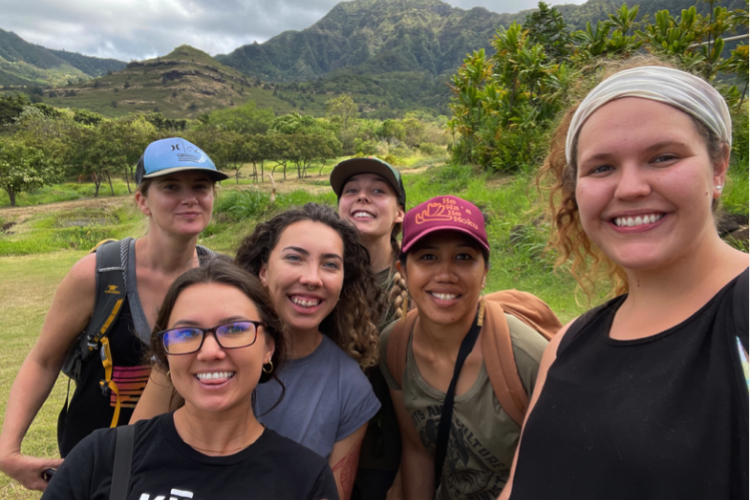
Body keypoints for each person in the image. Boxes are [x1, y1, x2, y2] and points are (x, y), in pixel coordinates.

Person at [500, 63, 750, 499]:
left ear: (718, 167)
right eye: (601, 168)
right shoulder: (571, 341)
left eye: (663, 157)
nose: (630, 187)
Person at [0, 137, 226, 492]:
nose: (190, 198)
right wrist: (7, 452)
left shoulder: (224, 279)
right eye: (170, 186)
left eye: (201, 186)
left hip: (184, 463)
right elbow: (43, 360)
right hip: (93, 466)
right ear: (142, 200)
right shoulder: (99, 275)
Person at [131, 203, 382, 500]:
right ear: (263, 270)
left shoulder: (350, 387)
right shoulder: (193, 350)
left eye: (330, 264)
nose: (312, 278)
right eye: (294, 258)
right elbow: (135, 457)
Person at [41, 258, 340, 500]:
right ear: (165, 353)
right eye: (186, 333)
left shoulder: (306, 480)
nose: (210, 351)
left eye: (234, 329)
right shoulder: (101, 457)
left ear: (268, 347)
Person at [380, 195, 548, 500]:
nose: (445, 274)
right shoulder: (394, 346)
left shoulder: (526, 358)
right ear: (403, 270)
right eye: (428, 257)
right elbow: (417, 450)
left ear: (484, 273)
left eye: (464, 257)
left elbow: (556, 468)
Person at [330, 157, 407, 499]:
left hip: (400, 458)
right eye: (352, 191)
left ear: (400, 213)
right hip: (327, 448)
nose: (362, 197)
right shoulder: (322, 280)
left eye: (378, 191)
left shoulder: (421, 276)